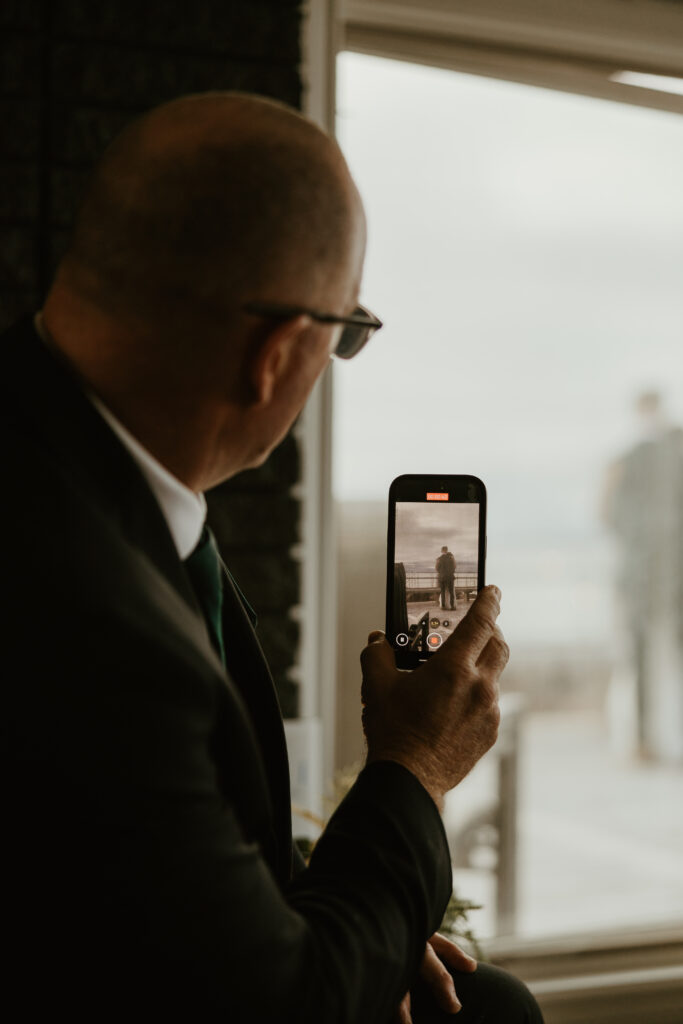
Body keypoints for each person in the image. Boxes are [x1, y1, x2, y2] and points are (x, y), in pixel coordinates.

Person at [3, 92, 542, 1022]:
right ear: (276, 352)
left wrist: (363, 915)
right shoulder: (88, 612)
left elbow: (170, 853)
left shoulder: (63, 458)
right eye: (345, 335)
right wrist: (416, 761)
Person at [601, 390, 683, 763]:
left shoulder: (630, 458)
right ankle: (644, 739)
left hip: (649, 576)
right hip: (647, 577)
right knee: (640, 659)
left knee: (640, 659)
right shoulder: (636, 457)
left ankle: (645, 740)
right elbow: (609, 513)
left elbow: (607, 513)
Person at [436, 545, 457, 611]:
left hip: (442, 577)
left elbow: (437, 568)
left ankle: (443, 606)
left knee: (443, 592)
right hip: (450, 577)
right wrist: (451, 572)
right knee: (451, 592)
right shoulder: (451, 558)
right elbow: (454, 567)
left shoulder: (439, 559)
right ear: (447, 550)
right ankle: (452, 606)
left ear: (442, 551)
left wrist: (441, 572)